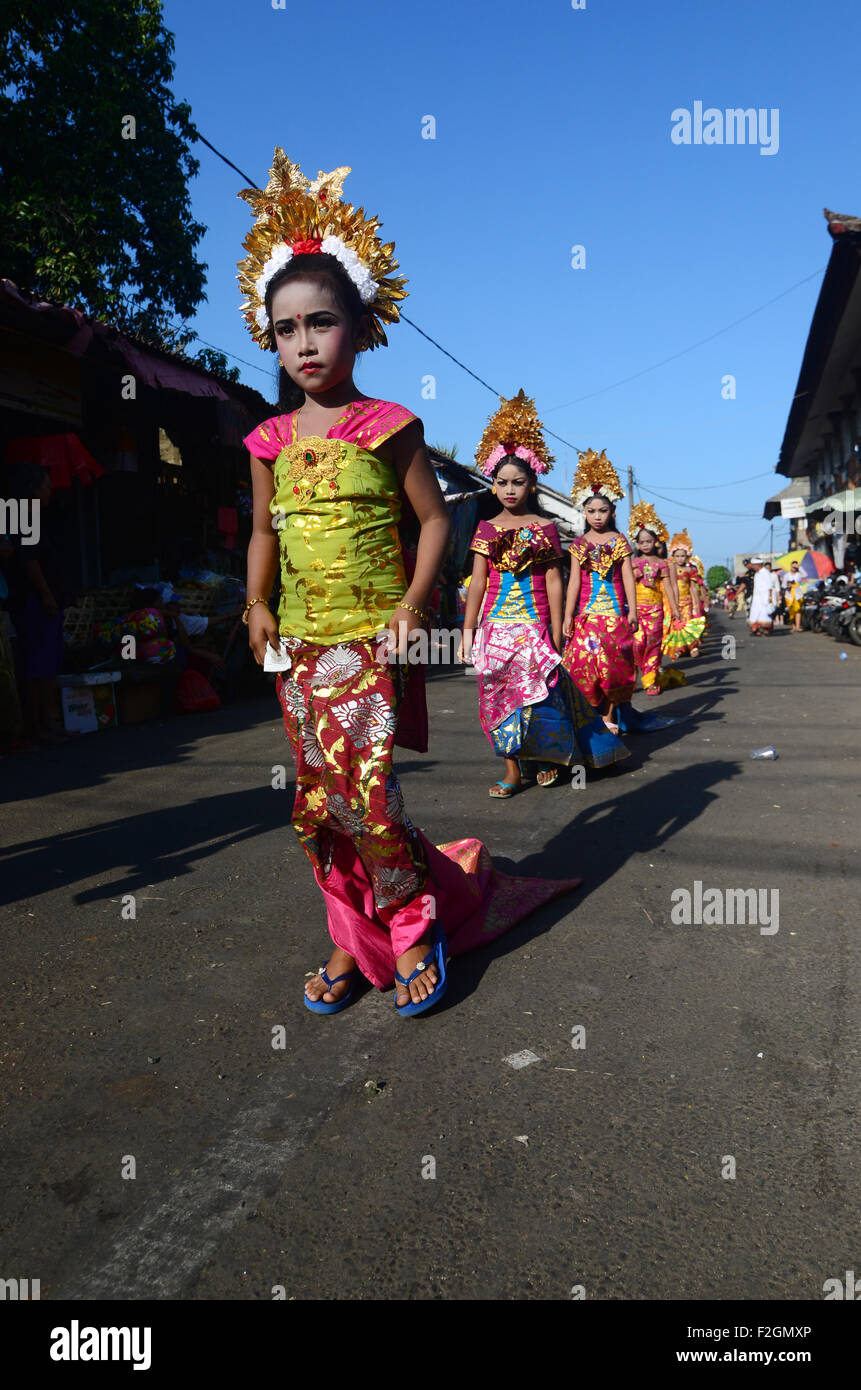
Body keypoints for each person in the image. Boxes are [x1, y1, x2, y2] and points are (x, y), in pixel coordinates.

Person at [239, 149, 579, 1019]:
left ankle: (412, 926)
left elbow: (433, 522)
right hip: (297, 650)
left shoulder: (390, 427)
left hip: (369, 643)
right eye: (286, 328)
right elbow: (262, 532)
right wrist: (257, 602)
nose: (304, 343)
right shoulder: (267, 441)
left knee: (371, 798)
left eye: (321, 322)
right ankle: (351, 935)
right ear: (267, 336)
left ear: (360, 326)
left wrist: (407, 607)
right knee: (318, 804)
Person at [460, 391, 628, 796]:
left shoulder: (546, 527)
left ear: (533, 482)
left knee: (540, 698)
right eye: (501, 483)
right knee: (497, 701)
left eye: (518, 482)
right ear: (493, 484)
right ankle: (514, 771)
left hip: (534, 627)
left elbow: (554, 579)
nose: (510, 489)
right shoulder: (485, 528)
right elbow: (478, 581)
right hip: (494, 629)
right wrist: (467, 632)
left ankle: (548, 759)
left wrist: (556, 628)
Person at [561, 449, 638, 734]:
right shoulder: (579, 544)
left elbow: (628, 577)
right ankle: (591, 719)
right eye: (591, 511)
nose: (597, 516)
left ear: (613, 512)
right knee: (584, 665)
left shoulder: (619, 540)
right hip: (587, 617)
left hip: (615, 616)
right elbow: (574, 583)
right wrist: (569, 616)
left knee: (613, 667)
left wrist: (634, 611)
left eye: (603, 510)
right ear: (583, 512)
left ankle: (609, 719)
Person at [3, 461, 70, 744]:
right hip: (34, 601)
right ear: (33, 489)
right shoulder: (24, 516)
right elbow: (30, 562)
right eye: (46, 486)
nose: (49, 491)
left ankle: (47, 723)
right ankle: (41, 725)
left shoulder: (28, 516)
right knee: (39, 665)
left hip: (37, 599)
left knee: (44, 663)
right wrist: (46, 594)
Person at [627, 504, 680, 697]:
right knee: (635, 645)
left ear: (655, 541)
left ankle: (650, 681)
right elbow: (628, 587)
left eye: (649, 541)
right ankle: (631, 679)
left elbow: (668, 587)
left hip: (656, 610)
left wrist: (675, 609)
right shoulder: (632, 563)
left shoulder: (661, 564)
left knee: (653, 645)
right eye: (642, 542)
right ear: (637, 544)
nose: (646, 545)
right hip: (637, 610)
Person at [663, 531, 706, 658]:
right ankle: (679, 648)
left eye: (682, 556)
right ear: (673, 556)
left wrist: (696, 604)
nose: (680, 558)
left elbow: (693, 588)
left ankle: (692, 647)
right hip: (674, 602)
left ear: (687, 556)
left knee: (688, 624)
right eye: (677, 556)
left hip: (687, 602)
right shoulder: (669, 569)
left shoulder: (690, 570)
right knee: (676, 625)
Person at [748, 558, 774, 634]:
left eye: (754, 565)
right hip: (757, 597)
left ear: (758, 565)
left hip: (765, 597)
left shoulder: (766, 573)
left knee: (764, 613)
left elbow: (770, 586)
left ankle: (766, 630)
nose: (753, 567)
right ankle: (756, 629)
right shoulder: (757, 574)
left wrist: (770, 597)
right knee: (755, 613)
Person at [783, 560, 805, 632]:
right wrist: (788, 585)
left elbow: (805, 574)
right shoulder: (787, 575)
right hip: (789, 593)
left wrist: (799, 567)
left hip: (797, 593)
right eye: (793, 566)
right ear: (791, 566)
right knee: (791, 610)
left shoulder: (799, 574)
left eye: (796, 566)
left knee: (798, 609)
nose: (794, 568)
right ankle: (793, 626)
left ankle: (798, 626)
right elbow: (783, 585)